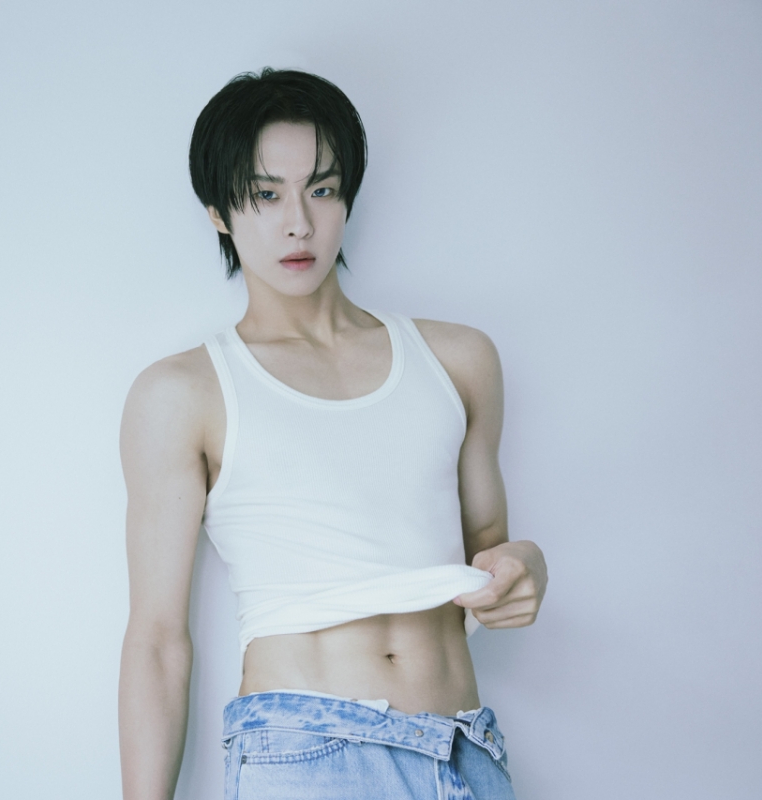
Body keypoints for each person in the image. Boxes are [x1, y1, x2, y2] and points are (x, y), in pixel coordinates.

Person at [118, 68, 547, 800]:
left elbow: (489, 549)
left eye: (320, 189)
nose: (298, 223)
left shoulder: (459, 360)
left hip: (464, 751)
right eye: (265, 195)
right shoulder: (184, 392)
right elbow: (157, 640)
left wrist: (525, 564)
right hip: (305, 755)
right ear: (219, 212)